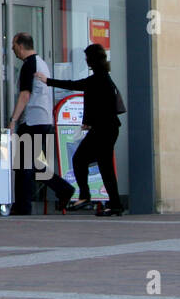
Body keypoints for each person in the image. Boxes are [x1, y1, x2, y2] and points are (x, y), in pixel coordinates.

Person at [37, 43, 124, 216]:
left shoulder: (97, 79)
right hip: (107, 129)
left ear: (92, 60)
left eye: (87, 58)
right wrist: (89, 122)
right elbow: (100, 104)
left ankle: (86, 196)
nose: (85, 61)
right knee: (103, 167)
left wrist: (48, 81)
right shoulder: (104, 78)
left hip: (103, 131)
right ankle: (115, 205)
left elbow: (74, 85)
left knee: (80, 160)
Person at [9, 32, 74, 215]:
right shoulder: (42, 63)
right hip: (43, 120)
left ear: (21, 46)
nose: (13, 49)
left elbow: (25, 94)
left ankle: (23, 207)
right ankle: (63, 189)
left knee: (23, 164)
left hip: (33, 120)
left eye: (14, 45)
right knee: (33, 164)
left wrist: (14, 119)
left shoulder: (29, 65)